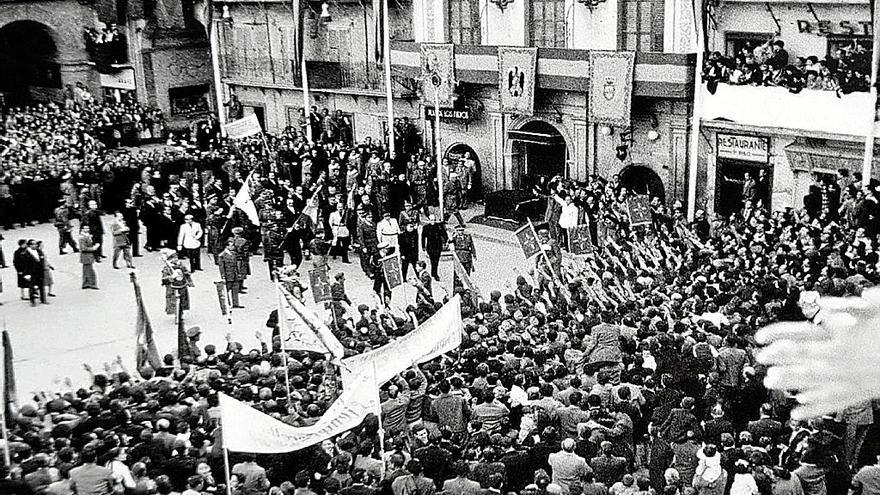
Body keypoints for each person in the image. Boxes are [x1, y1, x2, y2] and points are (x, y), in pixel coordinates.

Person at [161, 249, 193, 318]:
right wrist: (171, 277)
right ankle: (173, 310)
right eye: (173, 258)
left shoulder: (181, 265)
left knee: (183, 298)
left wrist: (190, 281)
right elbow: (164, 278)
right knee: (171, 297)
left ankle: (181, 311)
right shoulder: (167, 268)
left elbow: (186, 273)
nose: (175, 259)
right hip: (172, 285)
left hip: (182, 284)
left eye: (176, 257)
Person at [218, 239, 245, 309]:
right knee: (226, 290)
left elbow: (236, 265)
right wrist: (223, 276)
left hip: (235, 274)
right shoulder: (222, 255)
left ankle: (236, 304)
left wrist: (238, 273)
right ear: (227, 246)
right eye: (231, 245)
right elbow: (221, 267)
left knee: (235, 289)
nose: (233, 247)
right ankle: (227, 304)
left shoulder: (234, 254)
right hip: (228, 275)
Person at [421, 215, 447, 281]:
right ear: (429, 220)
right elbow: (423, 238)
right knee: (432, 260)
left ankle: (434, 273)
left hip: (438, 246)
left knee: (436, 260)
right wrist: (423, 247)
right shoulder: (426, 227)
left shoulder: (439, 226)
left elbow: (444, 234)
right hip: (430, 246)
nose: (433, 221)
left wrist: (446, 241)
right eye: (431, 220)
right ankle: (434, 273)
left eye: (434, 220)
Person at [21, 239, 46, 305]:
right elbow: (24, 265)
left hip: (39, 271)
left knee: (41, 286)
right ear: (30, 245)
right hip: (31, 272)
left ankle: (43, 299)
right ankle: (32, 301)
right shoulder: (25, 254)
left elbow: (42, 260)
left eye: (36, 244)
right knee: (31, 287)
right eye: (34, 244)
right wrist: (26, 274)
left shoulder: (39, 251)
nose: (36, 245)